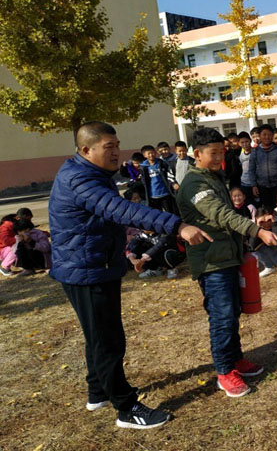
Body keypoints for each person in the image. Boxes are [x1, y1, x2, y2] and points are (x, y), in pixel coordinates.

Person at [49, 121, 211, 429]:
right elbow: (123, 211)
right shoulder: (80, 180)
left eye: (117, 145)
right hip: (86, 271)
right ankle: (126, 408)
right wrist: (178, 226)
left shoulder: (91, 173)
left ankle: (98, 392)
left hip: (95, 266)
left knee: (98, 336)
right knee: (108, 340)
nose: (116, 153)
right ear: (86, 150)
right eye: (108, 147)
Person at [177, 127, 277, 399]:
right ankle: (224, 372)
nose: (220, 156)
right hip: (211, 262)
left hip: (227, 257)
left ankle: (235, 360)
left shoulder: (213, 178)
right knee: (221, 316)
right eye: (214, 153)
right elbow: (221, 215)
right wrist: (256, 231)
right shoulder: (194, 185)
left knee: (232, 311)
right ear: (196, 154)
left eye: (222, 151)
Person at [252, 124, 277, 209]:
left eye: (269, 134)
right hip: (262, 186)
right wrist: (254, 185)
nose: (267, 137)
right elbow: (251, 169)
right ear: (260, 136)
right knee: (267, 210)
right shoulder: (255, 151)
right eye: (264, 134)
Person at [140, 144, 177, 212]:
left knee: (171, 213)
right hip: (153, 196)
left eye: (152, 152)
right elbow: (143, 180)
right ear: (144, 155)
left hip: (165, 194)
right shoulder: (143, 167)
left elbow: (169, 175)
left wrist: (173, 184)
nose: (151, 155)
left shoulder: (162, 163)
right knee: (157, 215)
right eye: (149, 153)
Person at [237, 131, 257, 205]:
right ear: (239, 143)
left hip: (255, 184)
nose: (245, 144)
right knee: (248, 204)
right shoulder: (241, 155)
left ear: (250, 141)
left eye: (246, 141)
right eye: (242, 142)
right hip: (244, 183)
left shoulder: (256, 152)